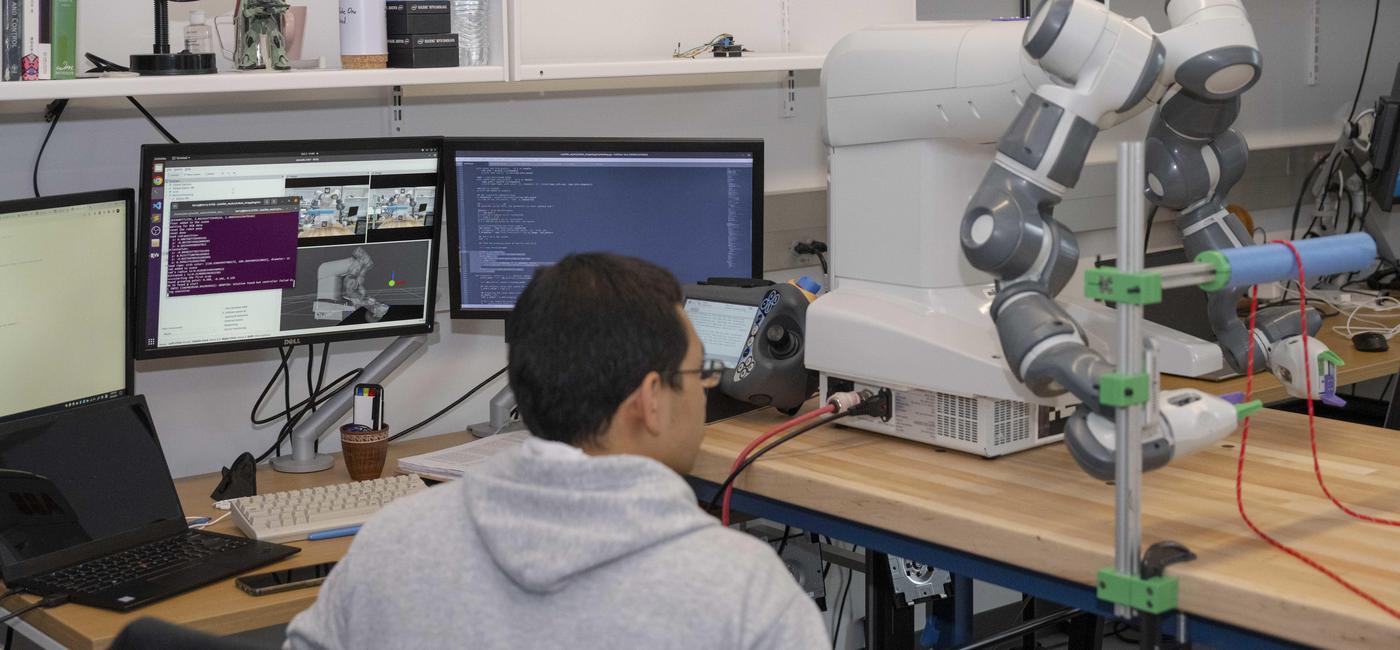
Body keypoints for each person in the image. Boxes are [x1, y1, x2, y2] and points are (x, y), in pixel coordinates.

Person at [285, 253, 827, 649]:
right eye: (697, 372)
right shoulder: (744, 592)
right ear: (652, 402)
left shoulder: (393, 543)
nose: (707, 387)